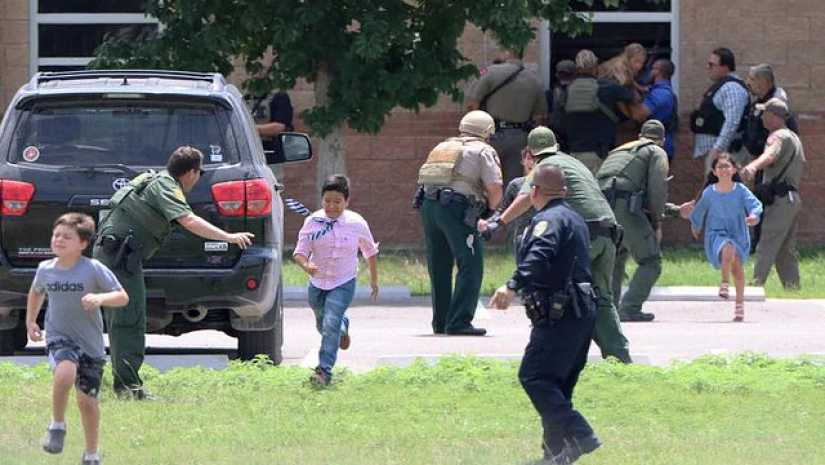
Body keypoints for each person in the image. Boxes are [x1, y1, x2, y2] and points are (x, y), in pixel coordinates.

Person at [91, 146, 254, 399]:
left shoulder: (152, 178)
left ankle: (104, 381)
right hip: (117, 258)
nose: (198, 178)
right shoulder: (167, 186)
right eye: (199, 172)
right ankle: (127, 388)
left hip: (113, 254)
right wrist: (228, 237)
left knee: (117, 319)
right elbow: (188, 220)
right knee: (128, 319)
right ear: (190, 172)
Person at [481, 126, 631, 363]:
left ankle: (551, 358)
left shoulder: (544, 168)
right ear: (556, 147)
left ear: (531, 153)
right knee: (602, 298)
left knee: (553, 294)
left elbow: (523, 198)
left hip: (582, 237)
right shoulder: (575, 164)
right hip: (608, 233)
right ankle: (620, 359)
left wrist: (497, 223)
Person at [489, 164, 601, 464]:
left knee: (534, 376)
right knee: (558, 384)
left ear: (534, 191)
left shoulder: (547, 220)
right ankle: (555, 454)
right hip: (581, 310)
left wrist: (512, 285)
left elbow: (540, 254)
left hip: (560, 312)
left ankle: (580, 434)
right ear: (563, 191)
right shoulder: (574, 218)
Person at [26, 213, 129, 465]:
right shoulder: (45, 269)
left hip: (90, 345)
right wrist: (31, 320)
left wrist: (100, 298)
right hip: (60, 336)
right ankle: (57, 425)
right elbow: (37, 291)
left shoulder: (93, 269)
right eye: (56, 235)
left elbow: (122, 296)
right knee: (64, 373)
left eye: (67, 237)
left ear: (82, 244)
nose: (59, 240)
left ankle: (91, 454)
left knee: (87, 402)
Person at [416, 110, 503, 336]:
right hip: (456, 209)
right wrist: (493, 216)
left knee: (439, 265)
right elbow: (494, 189)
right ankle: (460, 321)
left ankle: (442, 321)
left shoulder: (443, 146)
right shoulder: (483, 150)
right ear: (486, 132)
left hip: (429, 206)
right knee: (471, 263)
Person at [293, 174, 379, 387]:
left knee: (330, 322)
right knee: (324, 325)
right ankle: (343, 327)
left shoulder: (357, 223)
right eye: (327, 201)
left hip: (343, 281)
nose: (331, 206)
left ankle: (323, 371)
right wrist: (306, 266)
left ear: (347, 202)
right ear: (322, 200)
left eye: (337, 202)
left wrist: (374, 281)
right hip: (317, 283)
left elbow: (370, 251)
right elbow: (299, 252)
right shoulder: (312, 222)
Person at [596, 120, 670, 323]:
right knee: (651, 261)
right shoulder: (656, 152)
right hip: (625, 207)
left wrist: (675, 210)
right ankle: (629, 307)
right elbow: (657, 189)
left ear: (640, 136)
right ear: (662, 140)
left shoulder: (620, 151)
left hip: (602, 206)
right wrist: (656, 221)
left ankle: (607, 309)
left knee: (617, 257)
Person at [741, 98, 805, 290]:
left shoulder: (777, 137)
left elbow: (770, 155)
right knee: (785, 249)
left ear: (772, 116)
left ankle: (754, 286)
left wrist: (752, 166)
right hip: (791, 199)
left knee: (766, 243)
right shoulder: (793, 137)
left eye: (764, 113)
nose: (761, 117)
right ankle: (793, 288)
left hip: (780, 199)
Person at [690, 153, 763, 322]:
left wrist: (753, 216)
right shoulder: (709, 193)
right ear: (714, 172)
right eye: (720, 167)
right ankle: (724, 283)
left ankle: (739, 305)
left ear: (734, 169)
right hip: (716, 233)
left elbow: (755, 205)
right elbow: (699, 211)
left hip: (738, 232)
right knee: (727, 247)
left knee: (737, 268)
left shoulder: (740, 190)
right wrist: (696, 225)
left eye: (727, 166)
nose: (723, 170)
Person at [465, 48, 546, 186]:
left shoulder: (490, 72)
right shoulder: (534, 80)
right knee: (512, 184)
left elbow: (472, 104)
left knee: (486, 183)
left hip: (491, 135)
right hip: (519, 138)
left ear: (508, 53)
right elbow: (540, 117)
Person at [742, 63, 799, 253]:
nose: (748, 83)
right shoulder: (758, 101)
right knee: (759, 200)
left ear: (763, 82)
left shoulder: (777, 104)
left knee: (770, 203)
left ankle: (771, 247)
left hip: (773, 164)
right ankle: (759, 244)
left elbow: (787, 135)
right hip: (760, 160)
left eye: (752, 79)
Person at [564, 49, 639, 174]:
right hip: (598, 154)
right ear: (595, 66)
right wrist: (630, 80)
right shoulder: (607, 87)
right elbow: (635, 99)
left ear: (577, 68)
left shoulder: (568, 90)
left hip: (574, 154)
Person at [691, 47, 751, 173]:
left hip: (726, 155)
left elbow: (732, 121)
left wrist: (718, 148)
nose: (708, 67)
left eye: (712, 64)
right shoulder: (724, 86)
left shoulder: (732, 88)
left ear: (725, 67)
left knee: (723, 191)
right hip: (719, 154)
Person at [630, 59, 678, 161]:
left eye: (652, 69)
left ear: (658, 71)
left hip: (658, 149)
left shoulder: (661, 93)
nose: (650, 72)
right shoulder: (656, 90)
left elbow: (638, 115)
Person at [494, 147, 537, 256]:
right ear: (523, 161)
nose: (532, 162)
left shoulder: (548, 183)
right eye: (528, 158)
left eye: (536, 159)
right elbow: (502, 209)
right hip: (521, 235)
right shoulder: (516, 184)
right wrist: (490, 224)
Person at [546, 59, 577, 152]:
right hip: (576, 138)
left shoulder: (550, 94)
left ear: (557, 75)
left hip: (556, 138)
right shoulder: (579, 93)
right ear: (575, 75)